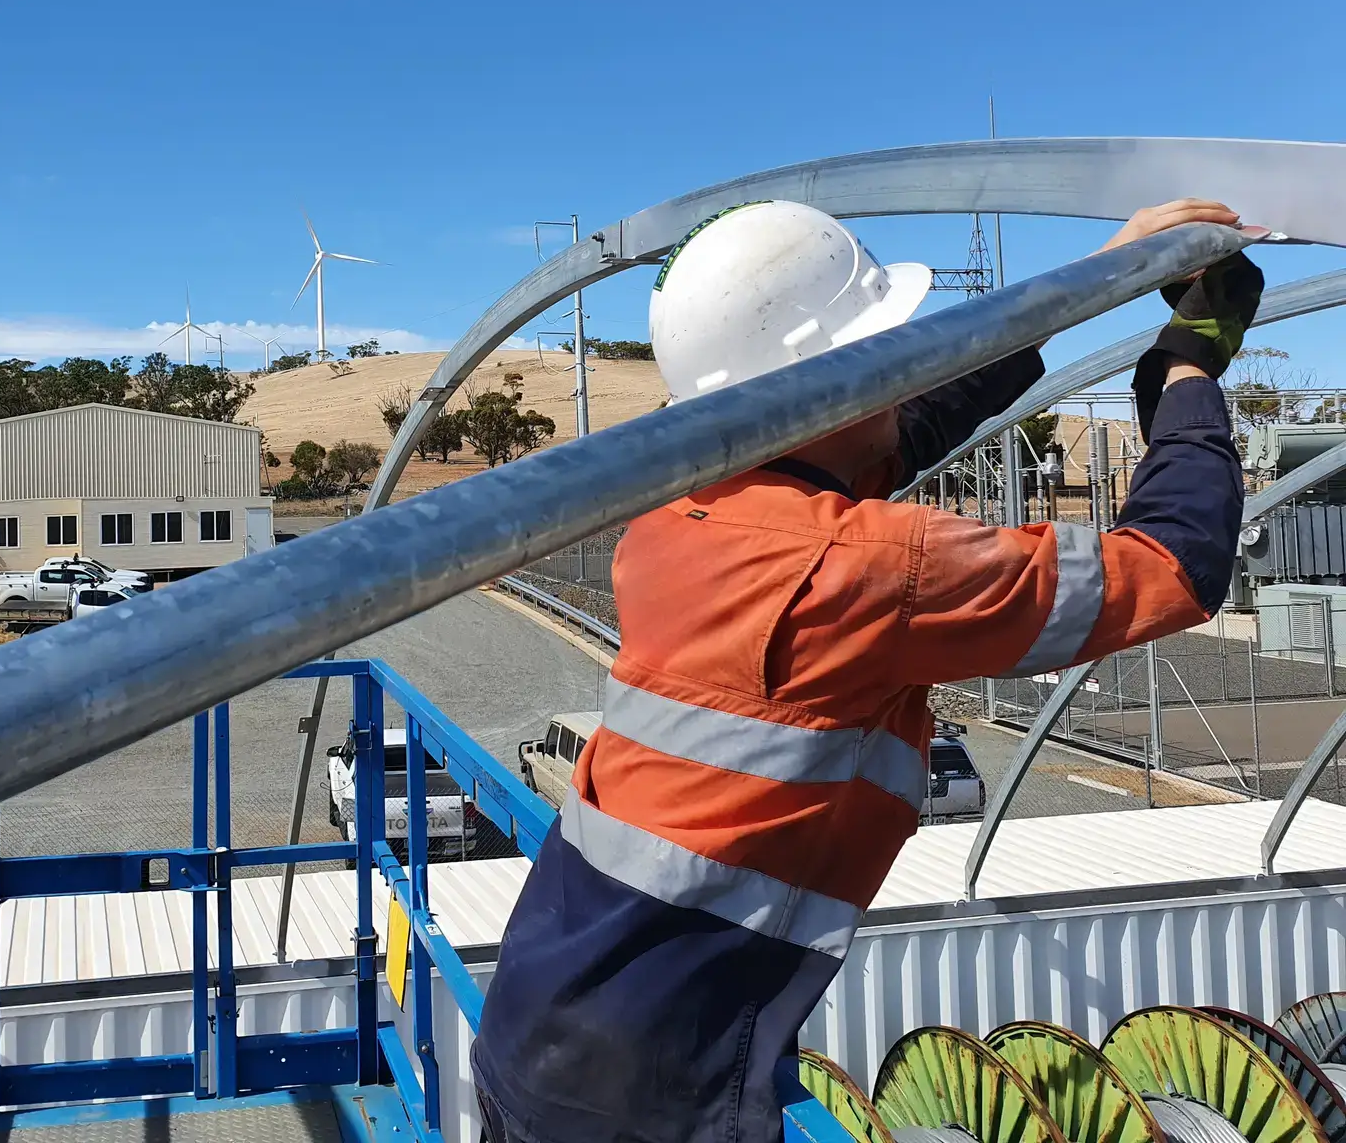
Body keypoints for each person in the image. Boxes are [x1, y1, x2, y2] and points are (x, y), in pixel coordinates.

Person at [470, 197, 1262, 1143]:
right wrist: (1185, 369)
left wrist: (1091, 283)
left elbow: (896, 434)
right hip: (654, 1092)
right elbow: (1175, 563)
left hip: (538, 1021)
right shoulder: (867, 570)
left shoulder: (682, 513)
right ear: (830, 390)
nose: (900, 383)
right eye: (878, 361)